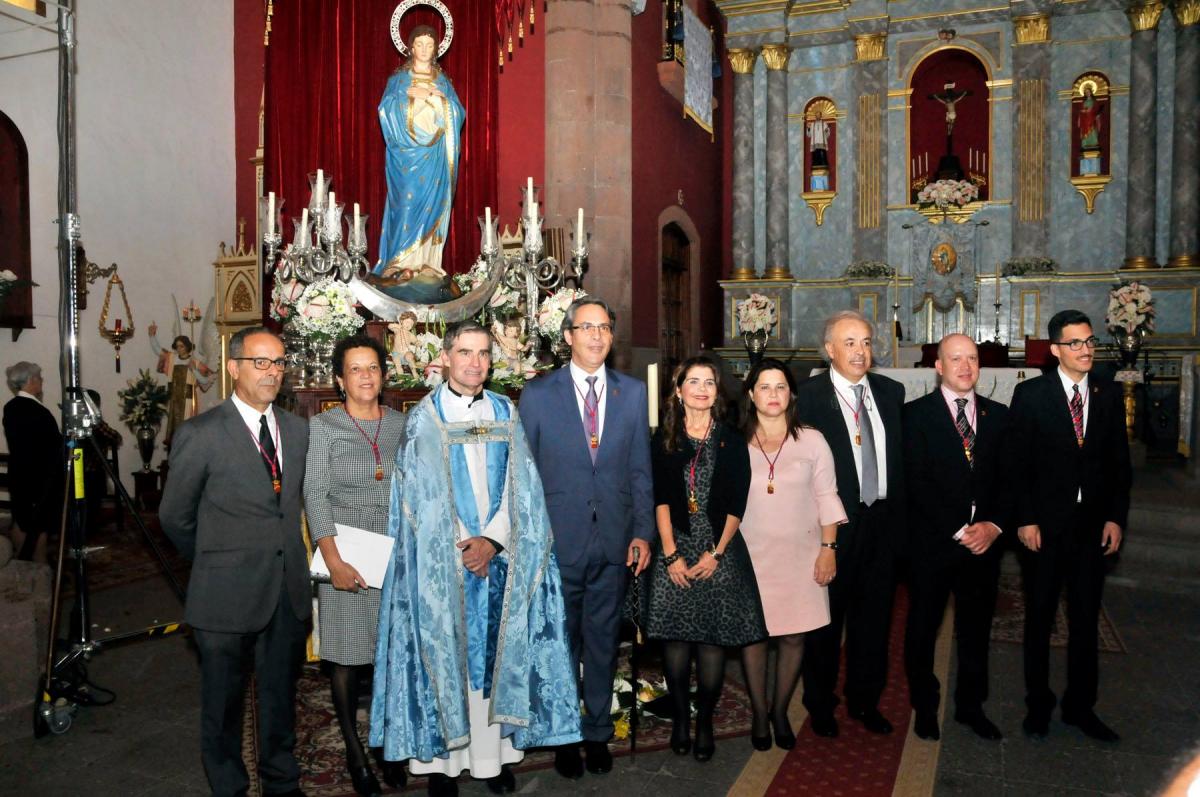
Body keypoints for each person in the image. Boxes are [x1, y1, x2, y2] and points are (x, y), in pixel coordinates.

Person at [370, 322, 580, 797]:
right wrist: (466, 546)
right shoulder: (424, 418)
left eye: (483, 353)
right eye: (465, 352)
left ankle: (492, 760)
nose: (475, 362)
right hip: (445, 564)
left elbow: (523, 488)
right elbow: (421, 500)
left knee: (495, 660)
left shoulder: (506, 410)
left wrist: (493, 542)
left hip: (499, 558)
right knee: (447, 660)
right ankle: (442, 767)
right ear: (445, 357)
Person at [159, 327, 310, 797]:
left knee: (280, 697)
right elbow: (174, 516)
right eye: (261, 362)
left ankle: (282, 782)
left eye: (279, 362)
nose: (272, 372)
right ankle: (228, 787)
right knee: (223, 704)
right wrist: (214, 559)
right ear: (234, 367)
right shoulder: (201, 433)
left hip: (285, 589)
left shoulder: (297, 430)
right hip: (224, 593)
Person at [518, 297, 654, 779]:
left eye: (604, 328)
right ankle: (563, 735)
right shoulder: (538, 394)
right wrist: (531, 540)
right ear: (568, 336)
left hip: (614, 540)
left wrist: (643, 533)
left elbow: (640, 469)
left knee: (602, 641)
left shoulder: (632, 393)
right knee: (559, 642)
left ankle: (596, 731)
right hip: (558, 541)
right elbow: (524, 475)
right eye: (587, 327)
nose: (597, 336)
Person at [1009, 309, 1131, 742]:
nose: (1086, 349)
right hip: (1044, 529)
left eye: (1090, 341)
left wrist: (1115, 517)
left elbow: (1119, 465)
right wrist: (1025, 519)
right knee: (1040, 618)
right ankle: (1038, 705)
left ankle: (1081, 707)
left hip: (1091, 528)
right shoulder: (1031, 395)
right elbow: (1017, 465)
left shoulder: (1108, 393)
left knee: (1085, 620)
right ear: (1055, 350)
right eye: (1075, 343)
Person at [647, 356, 765, 762]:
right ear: (678, 391)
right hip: (675, 544)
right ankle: (681, 719)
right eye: (693, 382)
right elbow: (661, 499)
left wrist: (716, 553)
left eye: (709, 382)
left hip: (718, 547)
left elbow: (736, 502)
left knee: (712, 642)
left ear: (718, 392)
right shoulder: (664, 438)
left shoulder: (731, 439)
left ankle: (706, 723)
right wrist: (670, 554)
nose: (701, 389)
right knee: (676, 641)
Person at [793, 309, 905, 738]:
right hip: (832, 529)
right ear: (830, 349)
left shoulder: (891, 392)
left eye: (866, 342)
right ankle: (821, 705)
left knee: (874, 621)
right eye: (850, 343)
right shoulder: (808, 397)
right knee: (825, 622)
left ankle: (865, 701)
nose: (860, 351)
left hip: (883, 526)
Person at [303, 335, 407, 797]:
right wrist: (333, 560)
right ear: (340, 379)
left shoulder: (402, 423)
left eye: (373, 368)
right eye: (355, 369)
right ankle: (354, 751)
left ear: (383, 375)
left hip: (396, 548)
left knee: (390, 654)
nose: (366, 376)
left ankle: (387, 746)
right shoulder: (324, 427)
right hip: (345, 548)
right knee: (347, 656)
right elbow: (314, 494)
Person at [903, 334, 1008, 743]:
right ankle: (925, 707)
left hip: (984, 546)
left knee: (976, 630)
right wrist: (958, 528)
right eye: (956, 359)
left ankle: (971, 706)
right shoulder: (914, 415)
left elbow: (1011, 480)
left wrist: (994, 525)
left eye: (972, 359)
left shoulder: (999, 415)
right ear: (939, 366)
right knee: (922, 628)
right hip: (932, 544)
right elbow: (915, 481)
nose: (965, 367)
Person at [738, 359, 845, 752]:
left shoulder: (812, 440)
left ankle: (780, 710)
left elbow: (827, 497)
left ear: (792, 394)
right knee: (753, 636)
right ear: (751, 395)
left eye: (780, 387)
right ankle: (759, 712)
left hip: (802, 554)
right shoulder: (734, 441)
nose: (773, 395)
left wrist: (828, 549)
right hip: (749, 556)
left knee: (795, 636)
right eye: (764, 387)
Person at [374, 24, 465, 281]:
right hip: (406, 156)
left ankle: (427, 263)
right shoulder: (398, 80)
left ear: (435, 49)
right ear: (411, 48)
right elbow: (386, 110)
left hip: (435, 156)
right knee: (406, 203)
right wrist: (410, 102)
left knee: (433, 204)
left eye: (429, 45)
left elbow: (457, 113)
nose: (424, 49)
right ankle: (398, 261)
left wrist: (433, 98)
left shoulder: (443, 81)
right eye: (419, 44)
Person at [3, 362, 64, 563]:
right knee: (39, 524)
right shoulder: (39, 411)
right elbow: (54, 446)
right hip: (39, 477)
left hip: (18, 474)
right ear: (31, 380)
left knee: (20, 520)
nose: (42, 381)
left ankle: (21, 563)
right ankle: (39, 566)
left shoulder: (10, 408)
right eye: (39, 377)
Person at [148, 322, 215, 445]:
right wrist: (152, 336)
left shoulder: (194, 362)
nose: (179, 349)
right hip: (174, 398)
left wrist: (194, 370)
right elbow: (158, 350)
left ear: (187, 347)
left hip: (188, 399)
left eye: (182, 346)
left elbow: (205, 380)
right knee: (173, 430)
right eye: (177, 346)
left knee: (187, 428)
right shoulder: (172, 358)